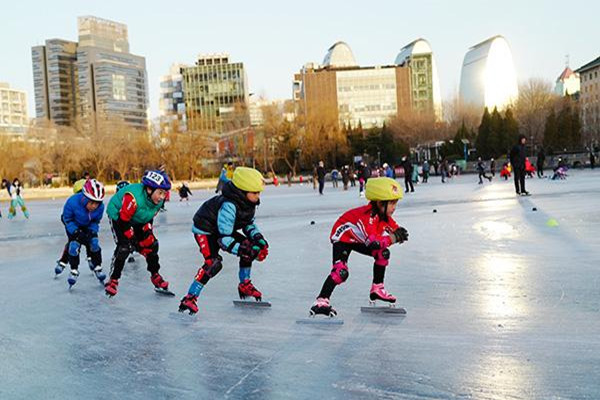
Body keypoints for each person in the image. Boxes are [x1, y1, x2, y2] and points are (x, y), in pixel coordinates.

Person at [308, 177, 409, 317]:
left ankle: (377, 288)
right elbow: (373, 243)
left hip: (357, 239)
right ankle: (320, 302)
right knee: (341, 272)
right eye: (392, 203)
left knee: (383, 253)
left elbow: (396, 232)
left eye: (395, 203)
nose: (394, 208)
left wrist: (400, 234)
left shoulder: (383, 216)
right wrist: (394, 238)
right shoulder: (367, 217)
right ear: (380, 203)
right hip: (342, 238)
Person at [179, 167, 268, 314]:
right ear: (243, 191)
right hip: (205, 230)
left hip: (223, 230)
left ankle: (244, 284)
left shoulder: (248, 203)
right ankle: (190, 297)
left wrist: (258, 239)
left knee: (250, 247)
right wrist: (242, 249)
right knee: (213, 263)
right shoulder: (229, 206)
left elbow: (248, 224)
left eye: (258, 193)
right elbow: (224, 239)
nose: (258, 197)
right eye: (255, 193)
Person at [104, 170, 173, 297]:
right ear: (149, 189)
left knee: (152, 244)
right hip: (119, 215)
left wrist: (147, 233)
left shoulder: (159, 201)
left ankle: (155, 275)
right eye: (160, 193)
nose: (162, 197)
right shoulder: (133, 197)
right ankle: (113, 280)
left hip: (137, 216)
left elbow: (149, 218)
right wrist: (134, 241)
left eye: (165, 193)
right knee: (125, 247)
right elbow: (123, 221)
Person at [55, 179, 106, 287]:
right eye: (91, 202)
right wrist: (75, 231)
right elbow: (67, 219)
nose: (94, 206)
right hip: (74, 225)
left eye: (97, 203)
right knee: (74, 246)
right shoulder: (72, 202)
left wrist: (92, 231)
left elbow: (95, 221)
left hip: (88, 226)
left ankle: (97, 266)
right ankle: (74, 270)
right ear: (84, 198)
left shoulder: (100, 207)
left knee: (94, 242)